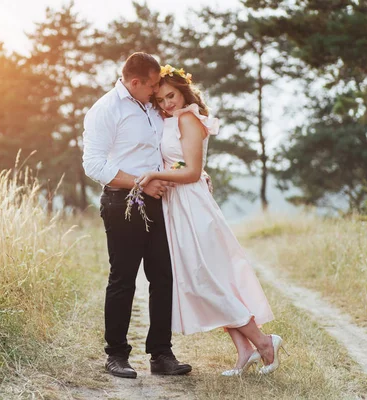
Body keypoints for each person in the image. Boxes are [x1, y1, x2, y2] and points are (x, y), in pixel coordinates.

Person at [136, 64, 285, 376]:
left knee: (207, 279)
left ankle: (264, 341)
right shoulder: (170, 120)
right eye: (161, 100)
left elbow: (190, 172)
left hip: (193, 207)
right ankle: (244, 348)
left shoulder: (189, 119)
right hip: (176, 207)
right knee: (201, 279)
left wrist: (153, 174)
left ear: (184, 91)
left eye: (171, 96)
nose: (167, 104)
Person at [82, 53, 192, 379]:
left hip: (159, 202)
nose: (157, 90)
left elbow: (169, 150)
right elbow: (94, 165)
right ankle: (116, 355)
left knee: (162, 277)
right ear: (135, 82)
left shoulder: (152, 108)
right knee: (123, 279)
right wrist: (142, 183)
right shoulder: (105, 110)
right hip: (123, 203)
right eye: (153, 84)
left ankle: (161, 354)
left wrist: (190, 174)